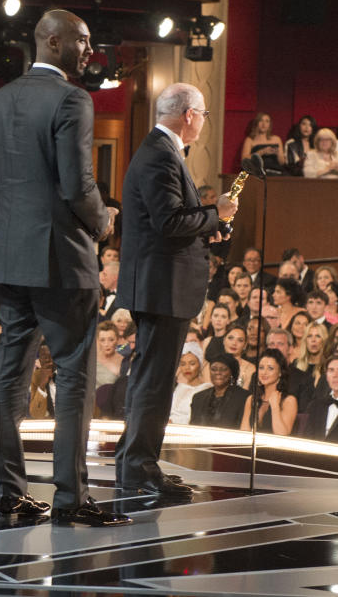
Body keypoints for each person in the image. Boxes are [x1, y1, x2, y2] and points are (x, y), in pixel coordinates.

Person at [0, 9, 126, 527]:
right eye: (83, 41)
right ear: (54, 41)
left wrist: (19, 225)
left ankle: (10, 492)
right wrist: (104, 222)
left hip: (10, 259)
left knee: (11, 379)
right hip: (62, 260)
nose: (90, 50)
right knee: (75, 379)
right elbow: (77, 186)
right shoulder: (71, 99)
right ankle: (71, 498)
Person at [116, 82, 238, 498]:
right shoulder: (160, 155)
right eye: (203, 114)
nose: (204, 122)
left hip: (161, 284)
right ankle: (139, 467)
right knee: (153, 380)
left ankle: (134, 460)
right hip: (161, 287)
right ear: (189, 115)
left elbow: (172, 221)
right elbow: (168, 224)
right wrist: (214, 213)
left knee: (151, 378)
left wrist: (207, 228)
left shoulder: (163, 152)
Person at [240, 348, 297, 435]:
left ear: (280, 372)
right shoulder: (251, 399)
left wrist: (275, 407)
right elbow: (244, 433)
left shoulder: (289, 400)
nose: (264, 372)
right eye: (261, 368)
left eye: (270, 368)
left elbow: (282, 435)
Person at [189, 353, 248, 429]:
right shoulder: (198, 398)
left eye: (223, 369)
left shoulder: (243, 398)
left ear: (232, 372)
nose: (218, 373)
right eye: (214, 369)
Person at [266, 327, 316, 412]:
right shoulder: (258, 376)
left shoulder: (304, 379)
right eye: (271, 344)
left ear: (290, 349)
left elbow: (303, 414)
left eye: (280, 344)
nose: (275, 348)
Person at [170, 342, 211, 425]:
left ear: (200, 364)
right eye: (183, 364)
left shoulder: (206, 389)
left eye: (192, 363)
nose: (187, 368)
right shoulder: (179, 387)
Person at [304, 355, 338, 442]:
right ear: (326, 376)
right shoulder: (316, 406)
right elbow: (307, 438)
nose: (335, 375)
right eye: (331, 370)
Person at [96, 321, 123, 388]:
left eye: (111, 340)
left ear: (117, 340)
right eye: (102, 340)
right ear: (97, 341)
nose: (106, 344)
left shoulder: (124, 361)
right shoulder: (90, 360)